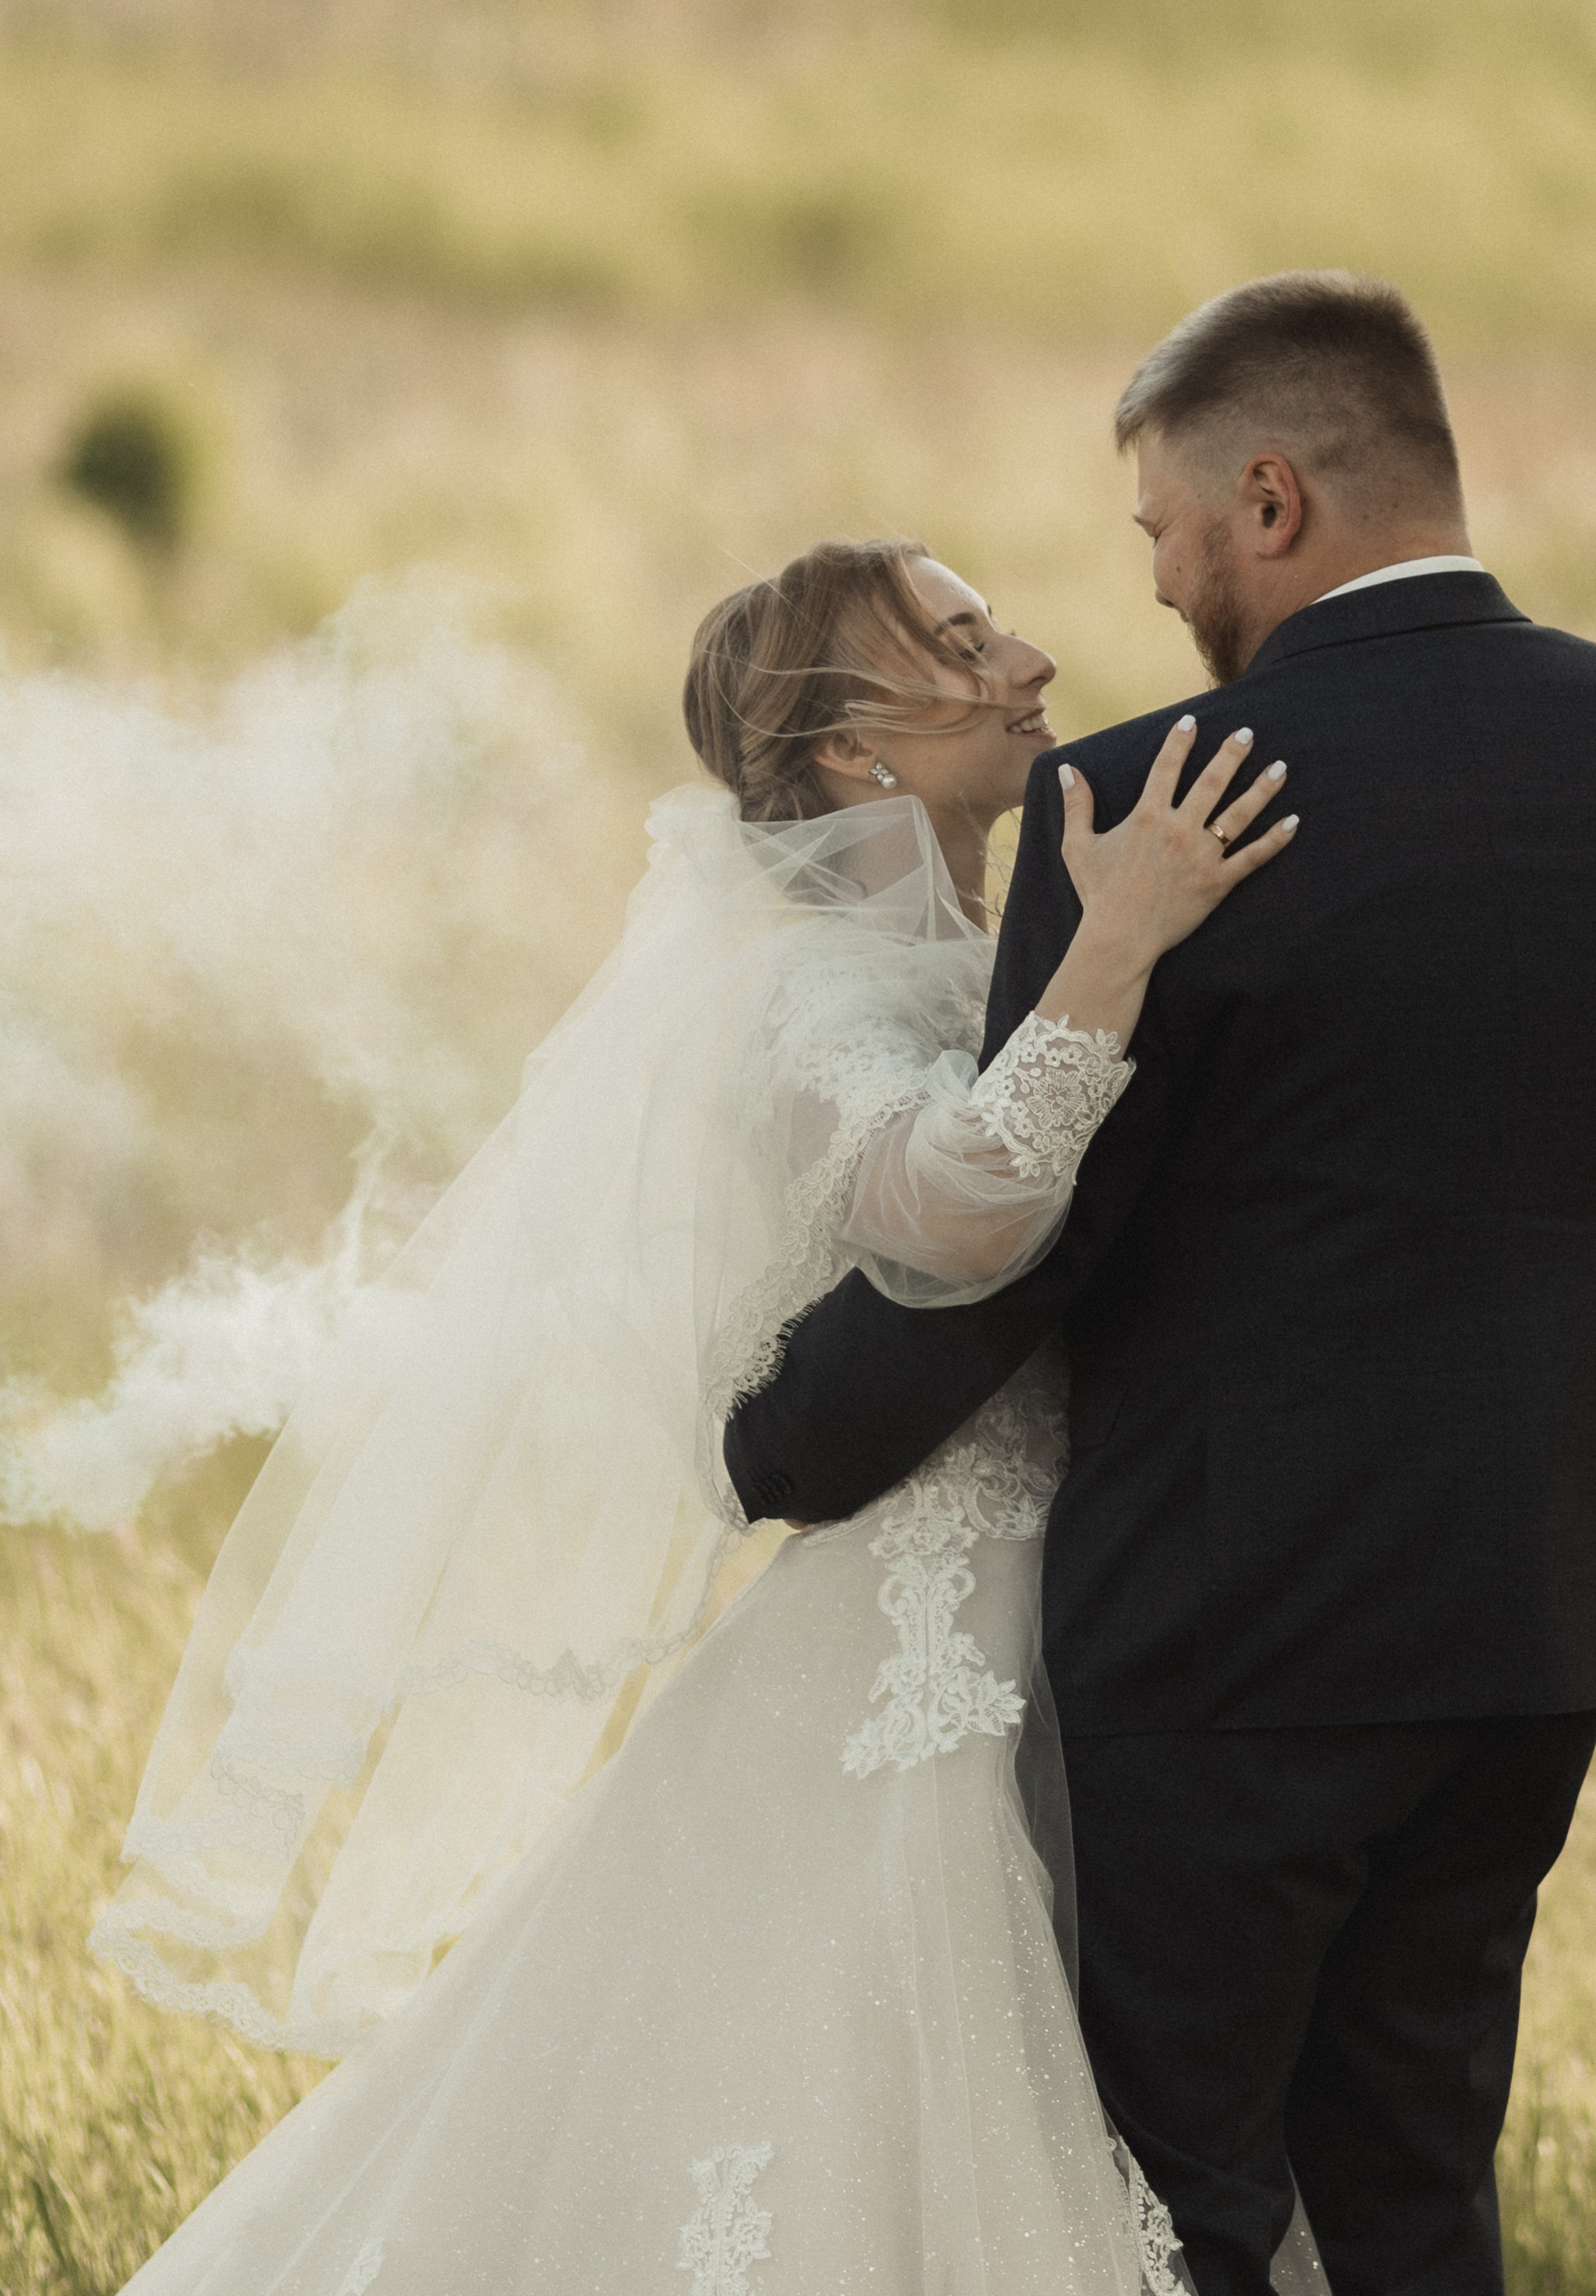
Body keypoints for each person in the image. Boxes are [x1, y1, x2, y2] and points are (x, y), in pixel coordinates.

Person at [94, 538, 1302, 2295]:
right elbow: (950, 1210)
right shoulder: (803, 986)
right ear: (848, 753)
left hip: (1111, 1605)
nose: (1032, 657)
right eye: (962, 644)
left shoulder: (986, 957)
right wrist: (1113, 948)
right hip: (917, 1644)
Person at [724, 274, 1596, 2296]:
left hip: (1228, 1641)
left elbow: (1045, 1232)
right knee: (1404, 2187)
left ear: (1266, 498)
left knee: (1174, 2211)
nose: (1149, 587)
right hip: (1530, 1617)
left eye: (1161, 532)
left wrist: (791, 1436)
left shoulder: (1155, 792)